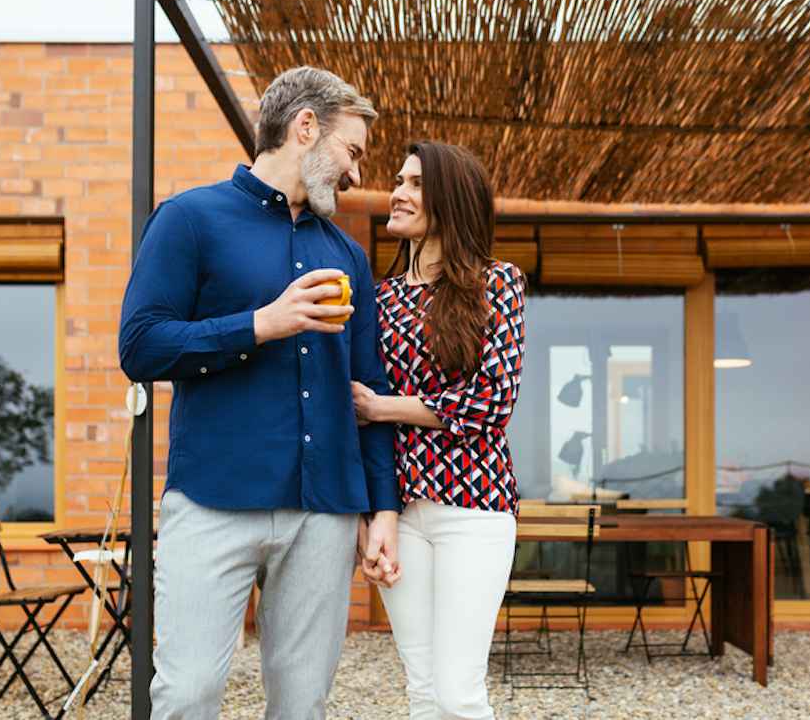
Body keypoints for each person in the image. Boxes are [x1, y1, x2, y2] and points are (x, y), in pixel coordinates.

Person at [118, 66, 401, 719]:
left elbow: (369, 390)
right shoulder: (189, 219)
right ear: (306, 127)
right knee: (187, 694)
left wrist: (380, 506)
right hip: (213, 498)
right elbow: (139, 345)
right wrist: (259, 324)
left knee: (303, 705)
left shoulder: (348, 254)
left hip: (323, 508)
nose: (358, 173)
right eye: (352, 151)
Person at [351, 141, 526, 719]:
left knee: (458, 691)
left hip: (474, 509)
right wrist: (371, 516)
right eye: (398, 180)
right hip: (399, 514)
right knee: (423, 688)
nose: (397, 193)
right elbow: (356, 412)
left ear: (450, 197)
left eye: (415, 183)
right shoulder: (378, 300)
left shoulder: (497, 284)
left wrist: (386, 408)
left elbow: (491, 404)